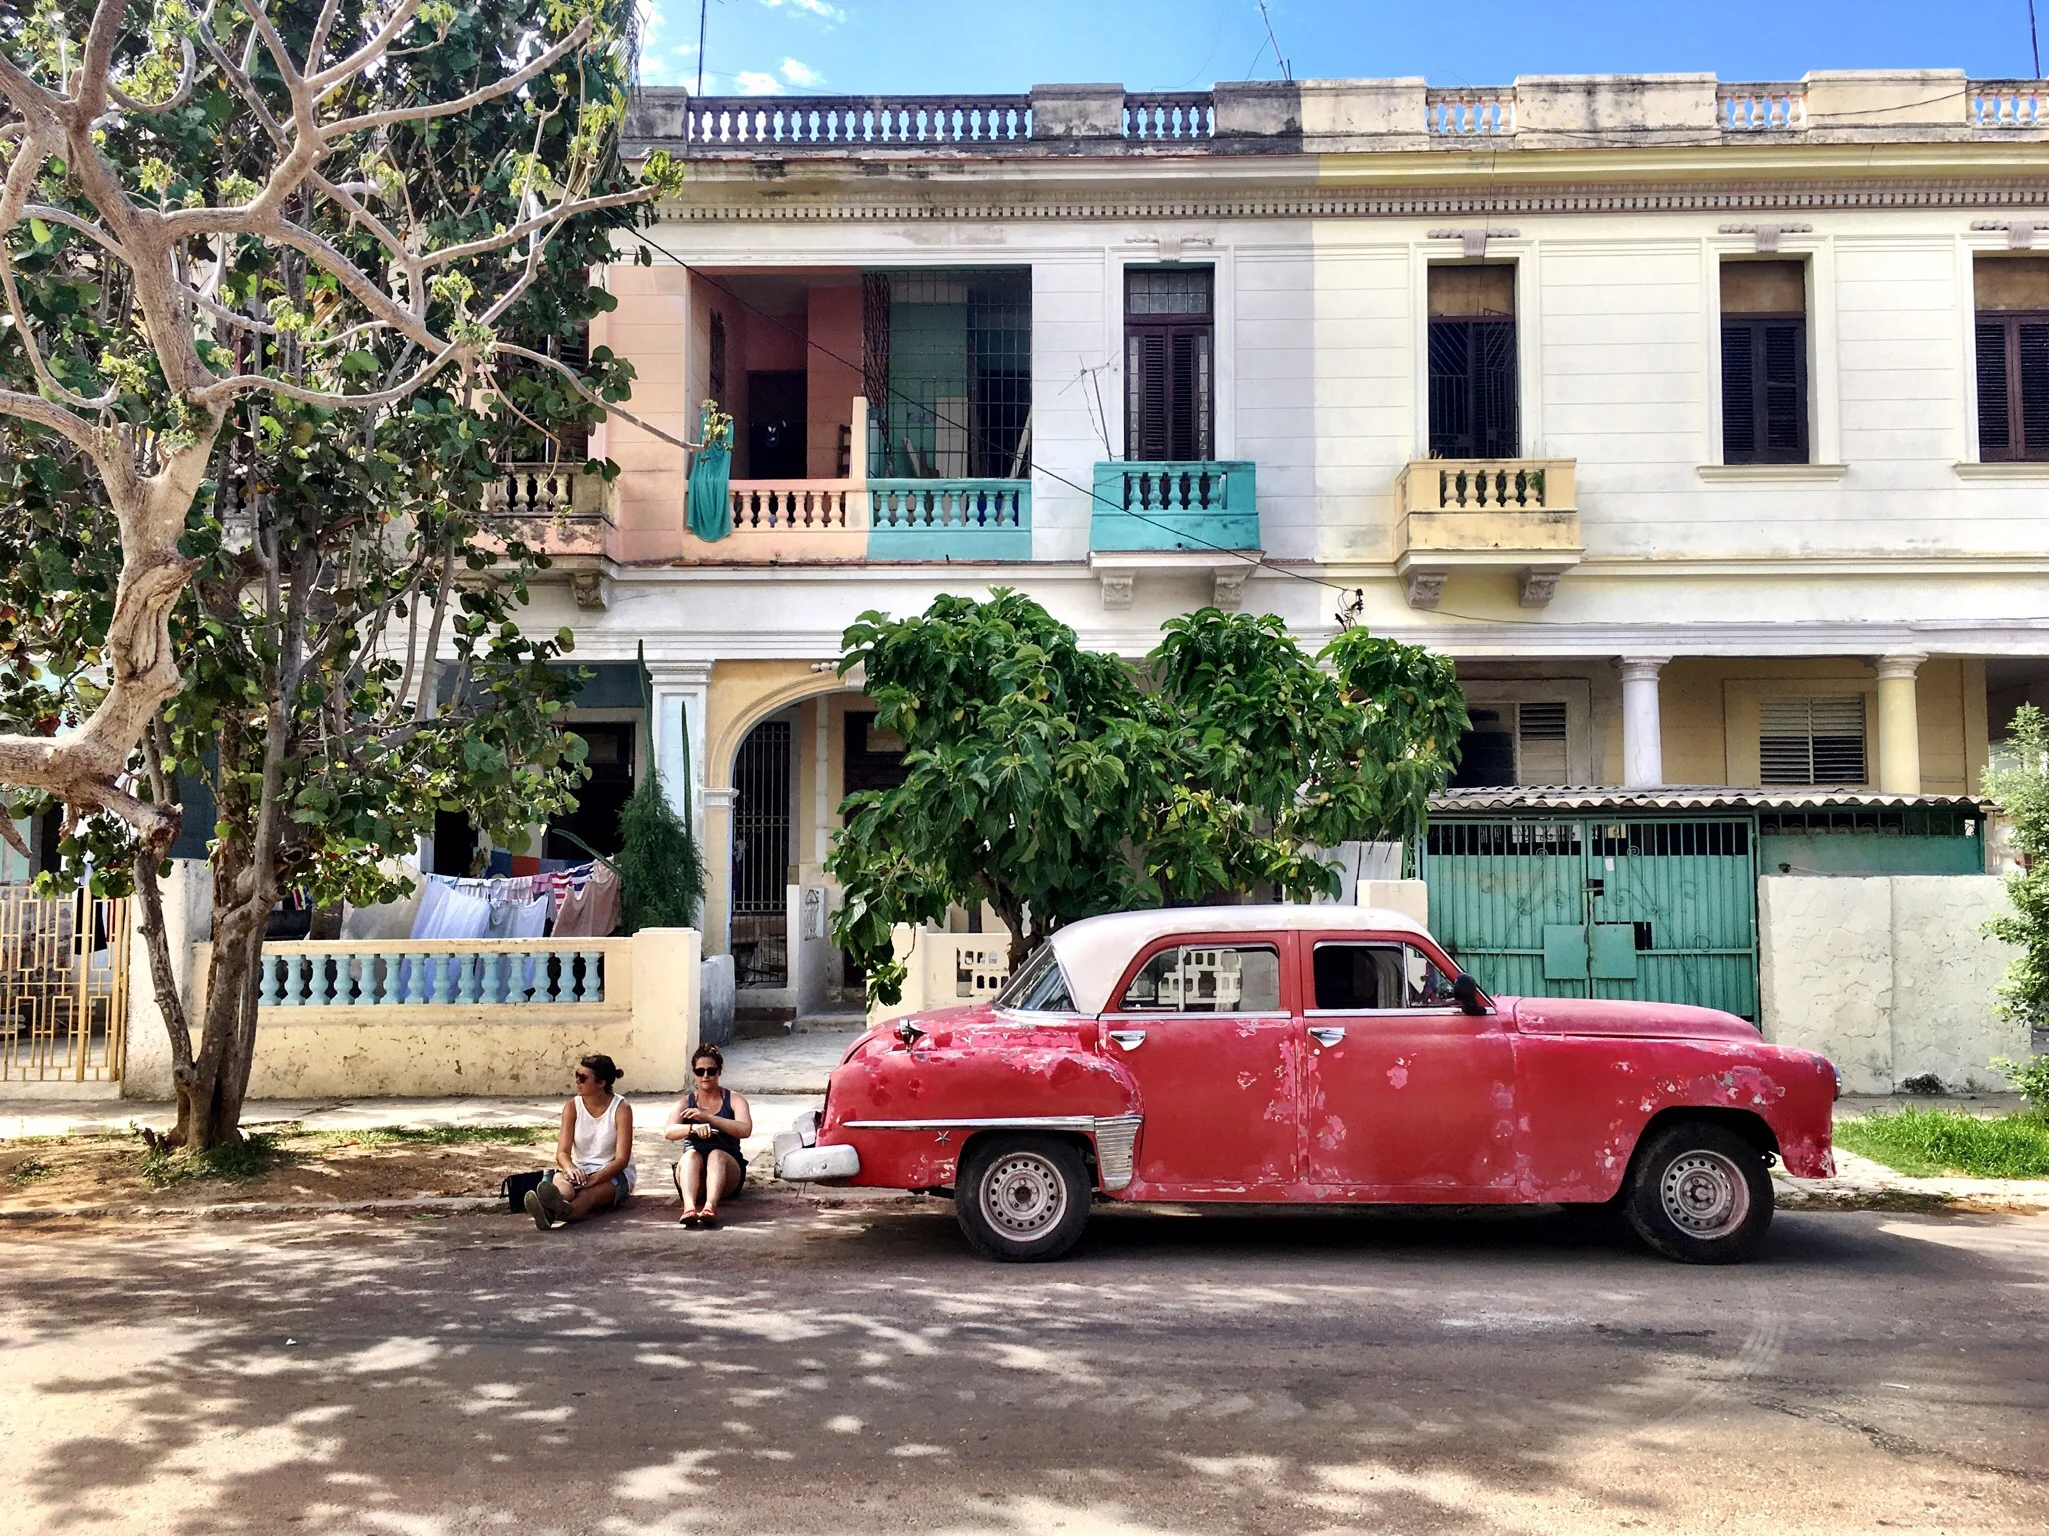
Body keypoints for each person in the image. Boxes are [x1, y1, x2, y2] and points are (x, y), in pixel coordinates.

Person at [527, 1053, 636, 1230]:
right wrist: (570, 1168)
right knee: (564, 1184)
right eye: (576, 1076)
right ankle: (555, 1204)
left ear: (601, 1083)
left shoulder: (621, 1108)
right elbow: (562, 1152)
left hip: (612, 1173)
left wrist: (594, 1180)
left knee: (587, 1195)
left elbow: (622, 1160)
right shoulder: (572, 1106)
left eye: (583, 1078)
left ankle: (550, 1212)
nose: (577, 1081)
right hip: (582, 1170)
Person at [665, 1044, 753, 1228]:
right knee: (690, 1156)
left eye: (711, 1071)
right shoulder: (685, 1102)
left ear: (719, 1072)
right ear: (694, 1072)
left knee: (716, 1154)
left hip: (726, 1171)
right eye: (700, 1071)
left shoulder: (734, 1099)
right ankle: (688, 1207)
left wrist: (708, 1118)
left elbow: (745, 1129)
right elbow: (669, 1132)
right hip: (693, 1172)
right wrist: (693, 1129)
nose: (705, 1076)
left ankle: (710, 1207)